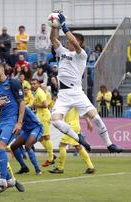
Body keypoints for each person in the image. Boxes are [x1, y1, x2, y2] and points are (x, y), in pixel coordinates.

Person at [49, 11, 122, 153]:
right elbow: (53, 39)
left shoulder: (81, 55)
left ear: (80, 43)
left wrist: (64, 26)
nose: (67, 42)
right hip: (63, 94)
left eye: (69, 40)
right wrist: (54, 25)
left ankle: (109, 144)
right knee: (55, 120)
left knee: (95, 117)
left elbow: (75, 43)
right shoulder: (62, 52)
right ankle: (78, 138)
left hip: (76, 92)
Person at [0, 63, 25, 193]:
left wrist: (19, 122)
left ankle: (3, 179)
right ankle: (10, 180)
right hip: (1, 121)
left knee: (0, 147)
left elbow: (22, 103)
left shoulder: (13, 83)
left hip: (11, 121)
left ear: (2, 70)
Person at [49, 108, 96, 174]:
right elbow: (83, 111)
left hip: (71, 126)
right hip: (75, 126)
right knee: (78, 146)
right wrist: (88, 122)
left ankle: (60, 168)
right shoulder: (75, 101)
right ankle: (91, 167)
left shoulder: (69, 101)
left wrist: (88, 122)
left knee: (62, 145)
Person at [11, 107, 43, 176]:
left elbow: (19, 120)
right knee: (13, 146)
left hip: (36, 128)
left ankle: (38, 169)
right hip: (27, 131)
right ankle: (24, 167)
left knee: (28, 145)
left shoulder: (23, 108)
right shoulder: (13, 109)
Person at [31, 79, 55, 167]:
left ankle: (51, 158)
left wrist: (35, 105)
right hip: (41, 116)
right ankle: (51, 154)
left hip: (44, 116)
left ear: (38, 84)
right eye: (32, 84)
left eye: (34, 84)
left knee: (46, 137)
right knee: (40, 137)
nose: (32, 85)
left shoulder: (40, 92)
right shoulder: (37, 92)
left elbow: (45, 105)